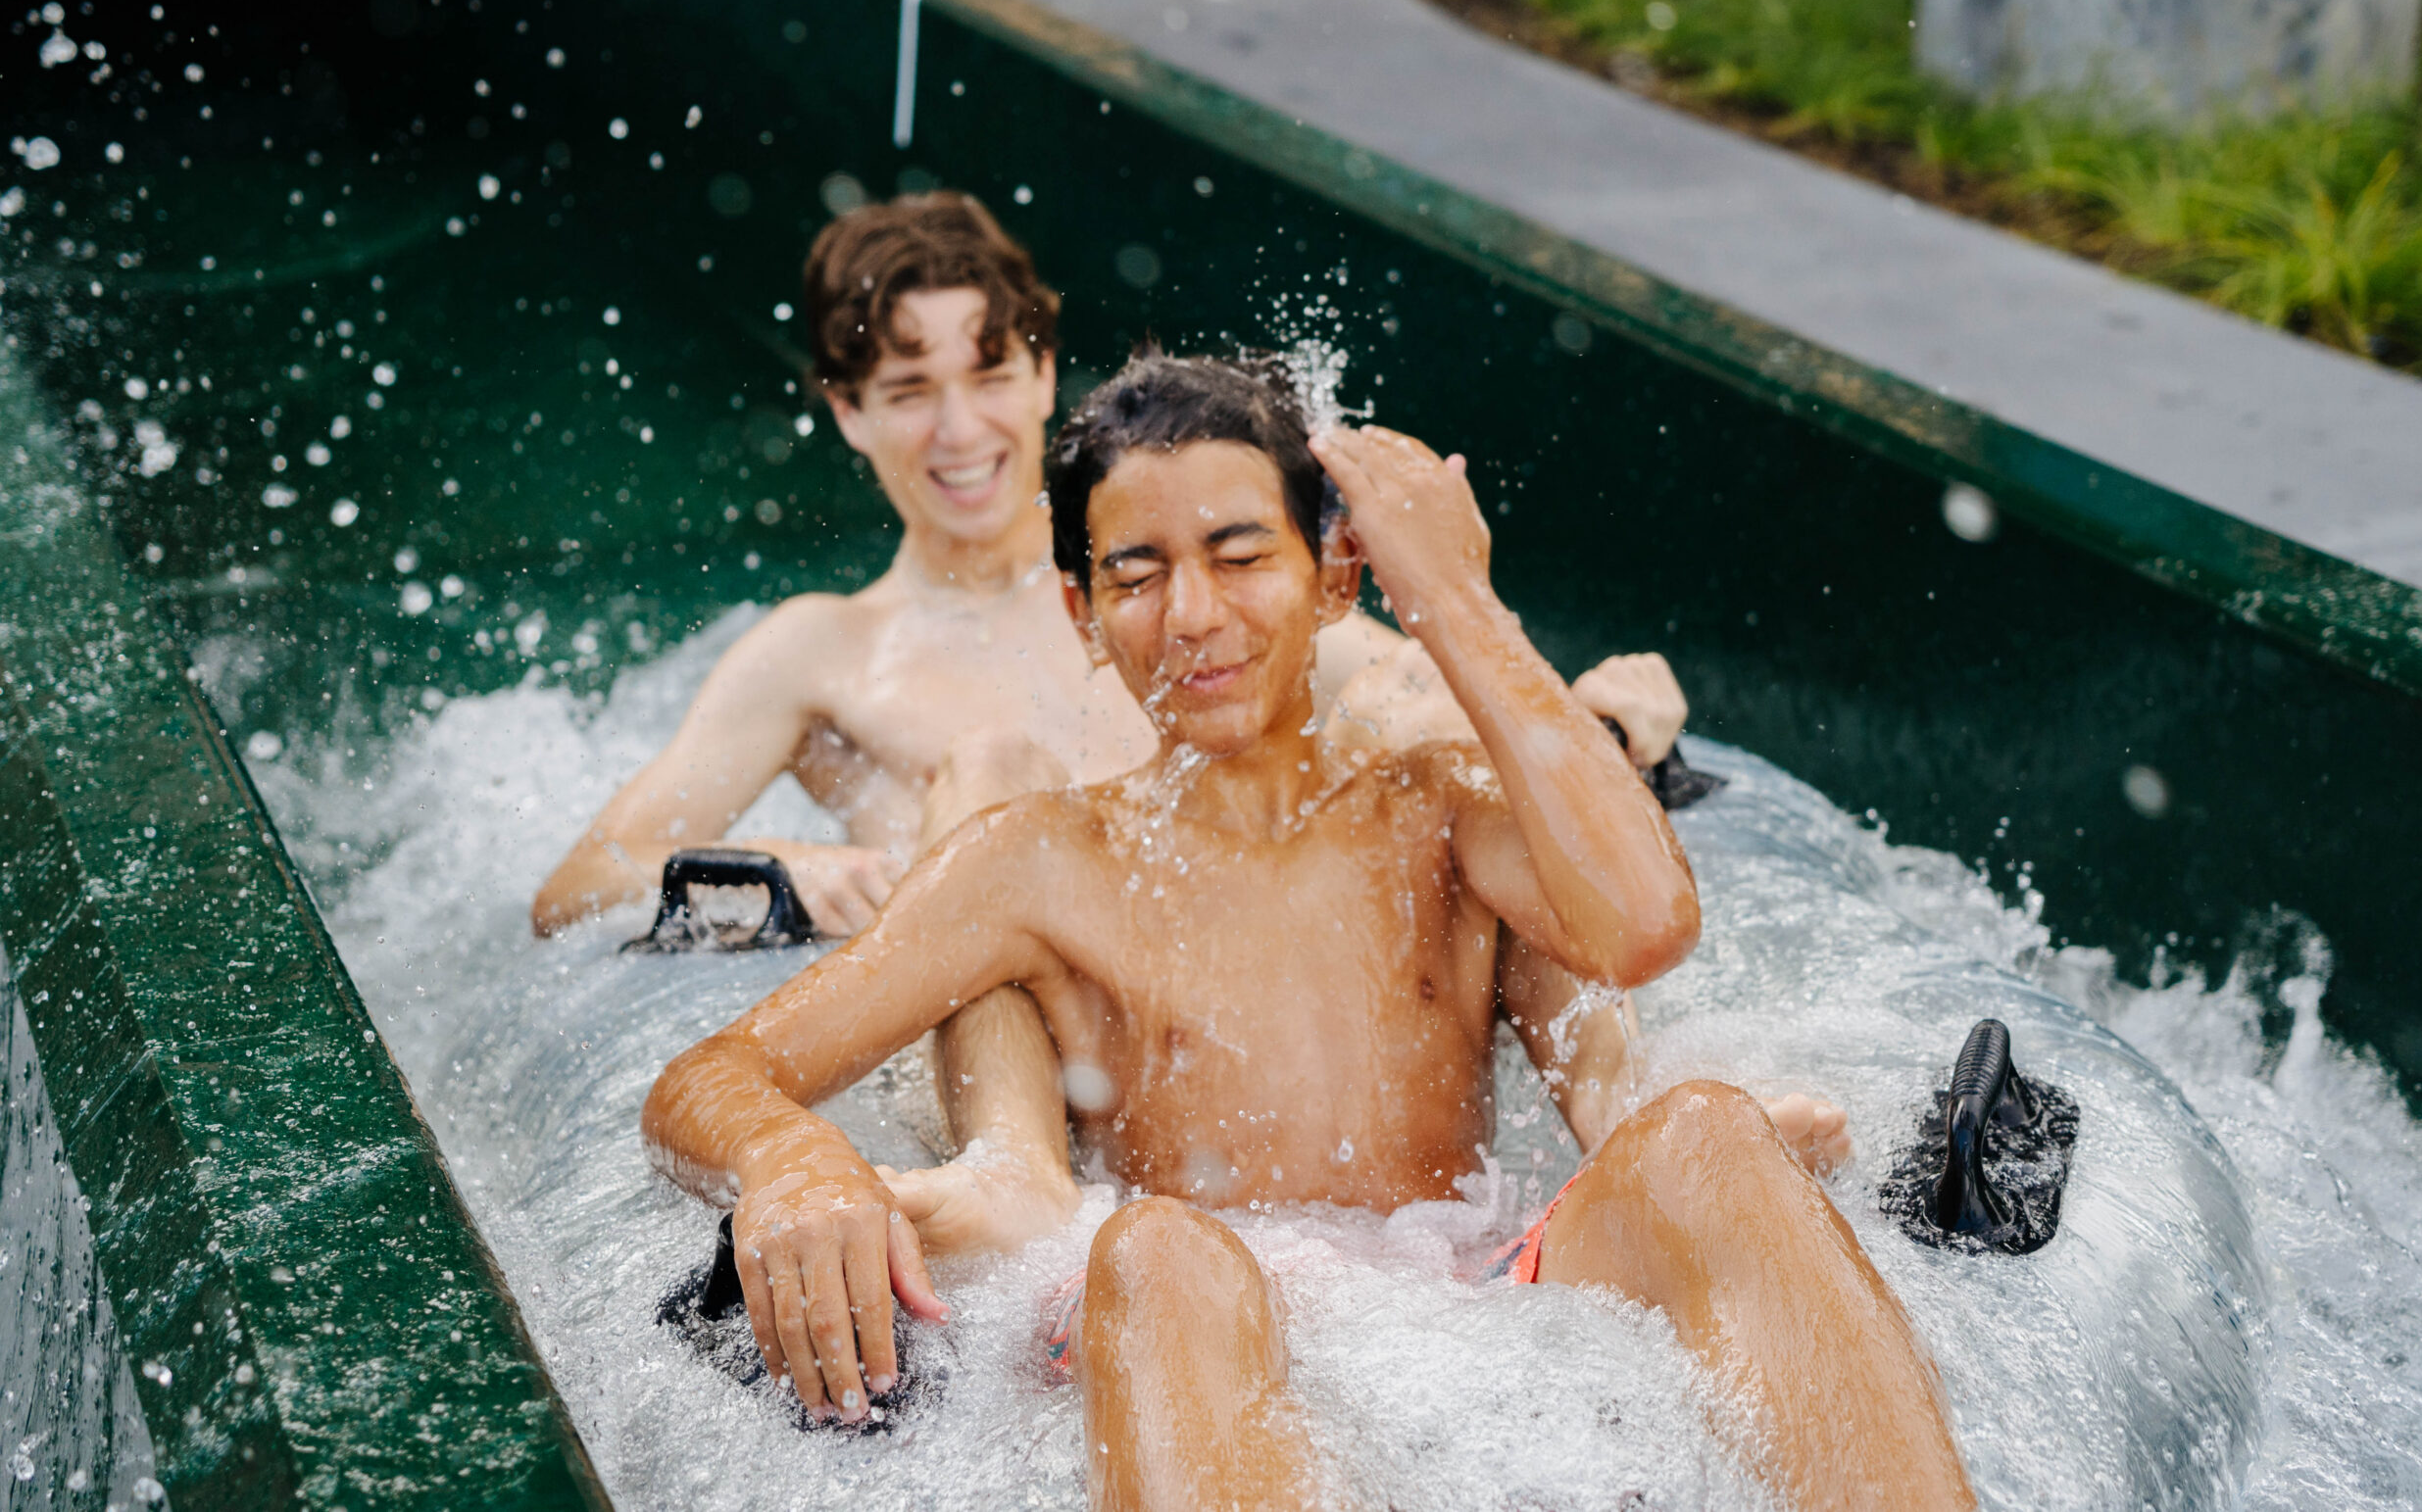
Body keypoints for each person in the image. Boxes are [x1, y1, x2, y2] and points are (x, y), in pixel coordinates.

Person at [639, 355, 1973, 1512]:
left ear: (1335, 575)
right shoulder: (1042, 860)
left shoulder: (1435, 808)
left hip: (1472, 1277)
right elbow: (708, 1077)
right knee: (1154, 1251)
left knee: (1709, 1134)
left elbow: (1643, 924)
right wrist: (795, 1160)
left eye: (1239, 555)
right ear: (1080, 611)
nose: (1197, 617)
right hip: (1212, 1324)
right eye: (1140, 572)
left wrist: (1455, 595)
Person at [534, 194, 1701, 1248]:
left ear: (1041, 374)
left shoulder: (1195, 591)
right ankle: (1015, 1170)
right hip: (998, 1022)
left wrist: (1593, 718)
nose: (959, 429)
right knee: (994, 779)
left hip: (1235, 1000)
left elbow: (1439, 716)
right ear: (846, 411)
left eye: (989, 376)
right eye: (907, 392)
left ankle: (1623, 1110)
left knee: (1445, 796)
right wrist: (789, 870)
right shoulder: (824, 649)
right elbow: (582, 885)